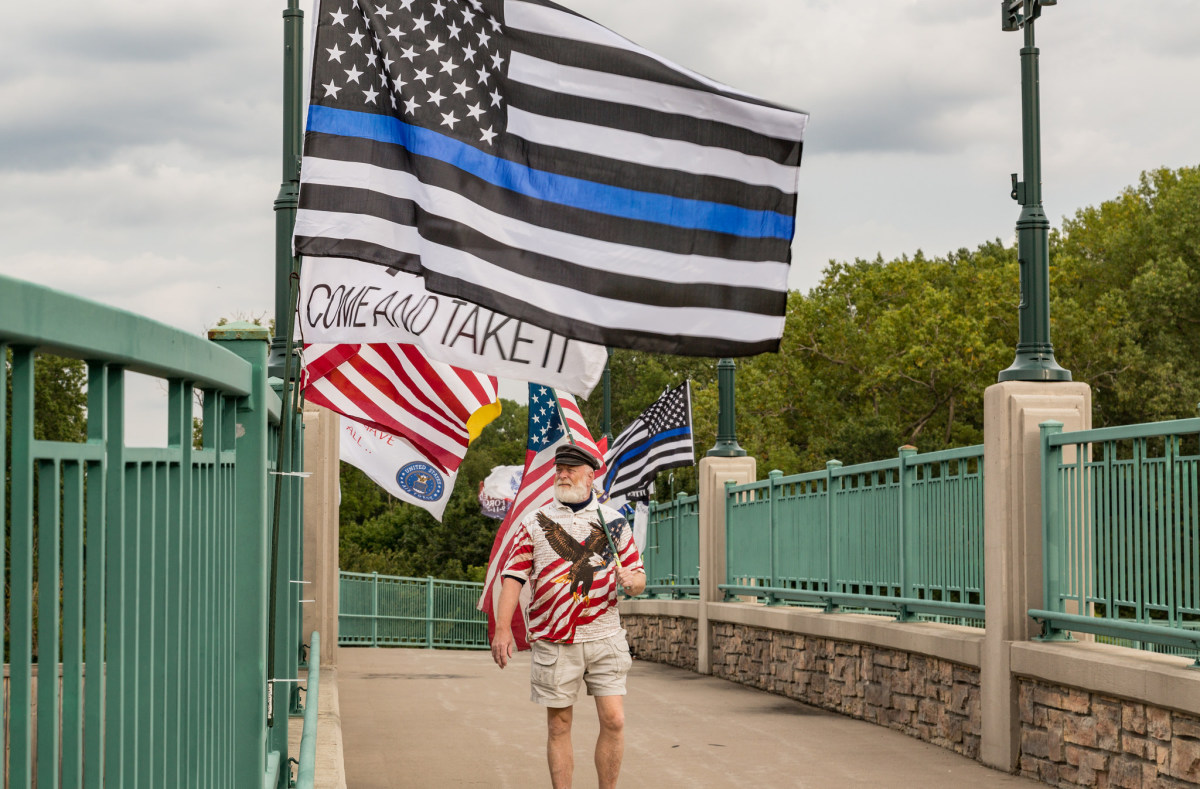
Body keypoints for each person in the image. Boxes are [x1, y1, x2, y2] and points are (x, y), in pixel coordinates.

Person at [491, 443, 647, 789]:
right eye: (560, 468)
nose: (563, 474)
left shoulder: (614, 523)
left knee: (615, 720)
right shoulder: (535, 522)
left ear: (590, 476)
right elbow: (513, 578)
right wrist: (503, 628)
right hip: (555, 638)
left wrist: (630, 581)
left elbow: (639, 579)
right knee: (559, 725)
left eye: (572, 469)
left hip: (605, 636)